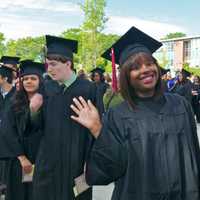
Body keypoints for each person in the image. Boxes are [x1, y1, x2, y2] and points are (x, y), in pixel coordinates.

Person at [71, 26, 200, 200]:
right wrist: (97, 129)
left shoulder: (180, 105)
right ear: (126, 76)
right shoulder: (118, 115)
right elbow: (109, 170)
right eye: (136, 67)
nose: (145, 69)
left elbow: (194, 155)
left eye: (149, 63)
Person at [33, 35, 99, 200]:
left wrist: (90, 162)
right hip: (48, 163)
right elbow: (37, 128)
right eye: (48, 65)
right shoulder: (46, 88)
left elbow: (97, 129)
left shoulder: (89, 89)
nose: (49, 69)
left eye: (53, 64)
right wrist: (33, 111)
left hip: (77, 162)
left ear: (68, 63)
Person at [0, 60, 45, 200]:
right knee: (18, 194)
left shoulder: (48, 102)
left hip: (42, 158)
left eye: (33, 78)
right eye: (25, 79)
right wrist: (22, 157)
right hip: (18, 160)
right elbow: (7, 131)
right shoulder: (14, 103)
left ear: (40, 81)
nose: (28, 82)